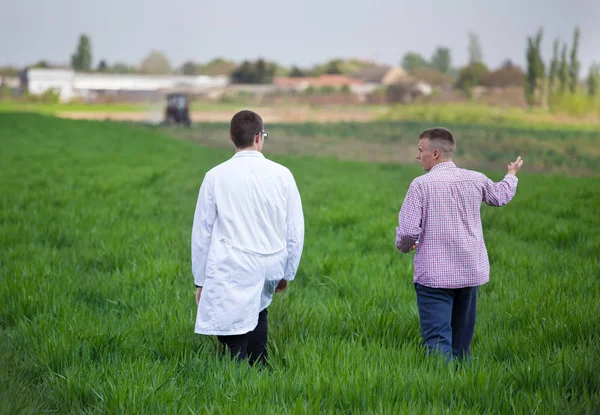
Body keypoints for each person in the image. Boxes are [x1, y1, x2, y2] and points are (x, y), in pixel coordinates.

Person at [396, 127, 523, 361]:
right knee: (461, 342)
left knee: (436, 340)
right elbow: (500, 196)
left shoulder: (420, 185)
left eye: (420, 150)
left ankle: (440, 389)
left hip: (434, 276)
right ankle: (461, 383)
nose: (417, 155)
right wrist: (511, 175)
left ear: (435, 153)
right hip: (469, 272)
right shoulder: (475, 178)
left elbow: (407, 232)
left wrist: (406, 245)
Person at [191, 110, 304, 365]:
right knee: (259, 309)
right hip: (271, 262)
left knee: (232, 323)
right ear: (258, 137)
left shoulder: (215, 176)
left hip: (232, 263)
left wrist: (200, 280)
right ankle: (258, 369)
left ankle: (239, 371)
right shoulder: (282, 174)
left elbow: (202, 233)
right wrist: (288, 272)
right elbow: (295, 229)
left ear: (232, 138)